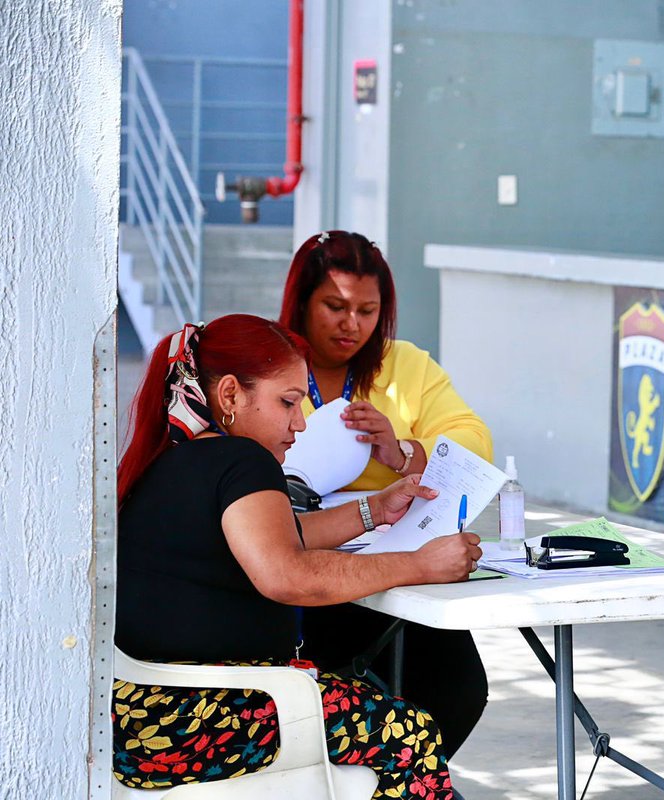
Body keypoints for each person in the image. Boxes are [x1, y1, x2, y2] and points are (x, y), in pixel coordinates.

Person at [113, 314, 483, 798]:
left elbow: (276, 536)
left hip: (141, 716)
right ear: (230, 396)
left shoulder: (174, 457)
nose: (300, 422)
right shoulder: (243, 460)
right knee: (410, 734)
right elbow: (287, 573)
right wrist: (420, 565)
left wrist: (374, 509)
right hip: (203, 714)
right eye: (287, 402)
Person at [278, 230, 493, 759]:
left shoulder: (406, 366)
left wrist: (403, 453)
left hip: (400, 562)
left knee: (456, 690)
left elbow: (474, 440)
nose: (352, 324)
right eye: (335, 306)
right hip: (297, 565)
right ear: (301, 302)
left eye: (368, 310)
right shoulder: (271, 361)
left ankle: (401, 784)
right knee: (318, 701)